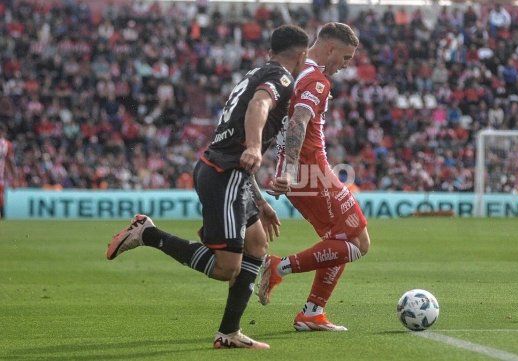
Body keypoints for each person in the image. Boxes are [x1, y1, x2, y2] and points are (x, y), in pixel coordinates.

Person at [105, 25, 309, 349]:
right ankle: (148, 234)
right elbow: (258, 108)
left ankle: (229, 333)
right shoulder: (281, 78)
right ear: (302, 54)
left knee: (257, 244)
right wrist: (256, 146)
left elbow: (240, 148)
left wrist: (261, 202)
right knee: (226, 268)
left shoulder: (255, 72)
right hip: (224, 174)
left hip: (231, 174)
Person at [258, 23, 370, 331]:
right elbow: (299, 120)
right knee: (358, 242)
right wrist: (292, 169)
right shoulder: (317, 80)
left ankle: (312, 312)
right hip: (310, 171)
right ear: (330, 49)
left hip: (303, 169)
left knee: (340, 240)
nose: (345, 66)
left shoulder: (294, 71)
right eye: (345, 58)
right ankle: (277, 266)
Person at [0, 125, 16, 219]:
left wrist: (12, 177)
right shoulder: (7, 144)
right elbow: (10, 162)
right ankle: (3, 216)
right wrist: (13, 177)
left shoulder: (7, 144)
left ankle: (2, 215)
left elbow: (9, 162)